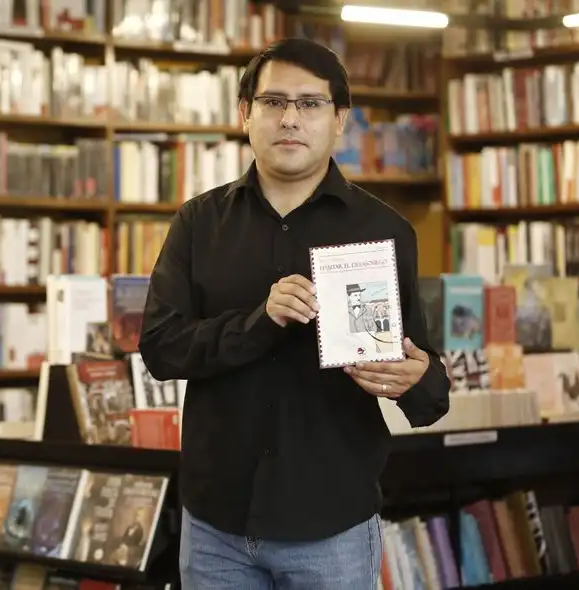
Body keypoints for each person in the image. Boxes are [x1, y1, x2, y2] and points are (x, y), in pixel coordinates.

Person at [138, 37, 450, 589]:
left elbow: (432, 391)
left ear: (339, 121)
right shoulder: (199, 223)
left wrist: (415, 377)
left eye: (310, 104)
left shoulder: (383, 232)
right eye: (273, 101)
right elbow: (161, 349)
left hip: (331, 525)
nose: (290, 118)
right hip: (217, 527)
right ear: (244, 114)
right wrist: (260, 322)